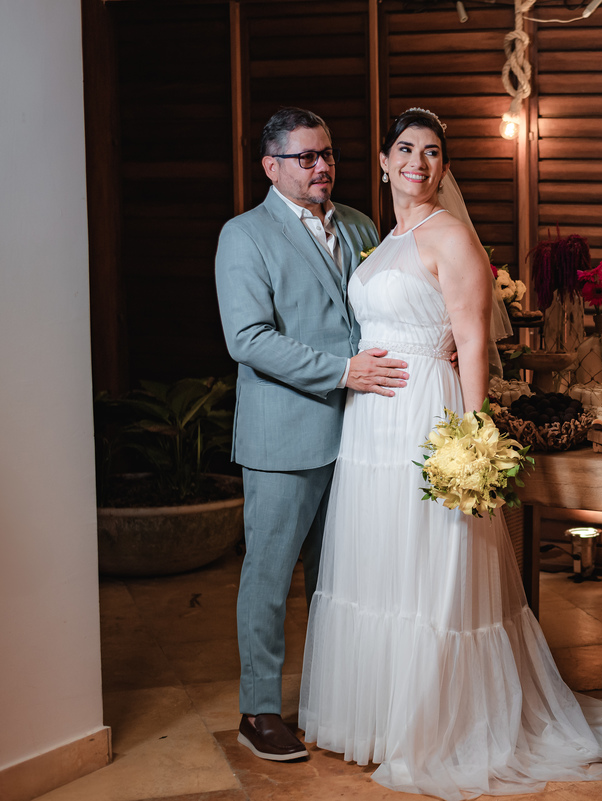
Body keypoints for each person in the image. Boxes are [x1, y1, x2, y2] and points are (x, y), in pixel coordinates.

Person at [298, 107, 602, 798]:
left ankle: (440, 724)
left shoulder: (453, 238)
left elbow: (471, 342)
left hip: (423, 414)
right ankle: (383, 716)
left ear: (444, 166)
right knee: (379, 563)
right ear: (383, 161)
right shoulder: (382, 241)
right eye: (405, 149)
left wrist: (472, 437)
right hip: (369, 424)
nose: (418, 162)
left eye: (432, 151)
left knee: (432, 563)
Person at [215, 107, 410, 763]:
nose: (322, 166)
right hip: (283, 437)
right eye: (306, 157)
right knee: (269, 579)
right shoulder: (244, 236)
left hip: (361, 436)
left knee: (338, 579)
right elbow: (247, 339)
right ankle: (259, 708)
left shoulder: (359, 224)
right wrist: (343, 371)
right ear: (272, 166)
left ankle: (333, 700)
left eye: (327, 154)